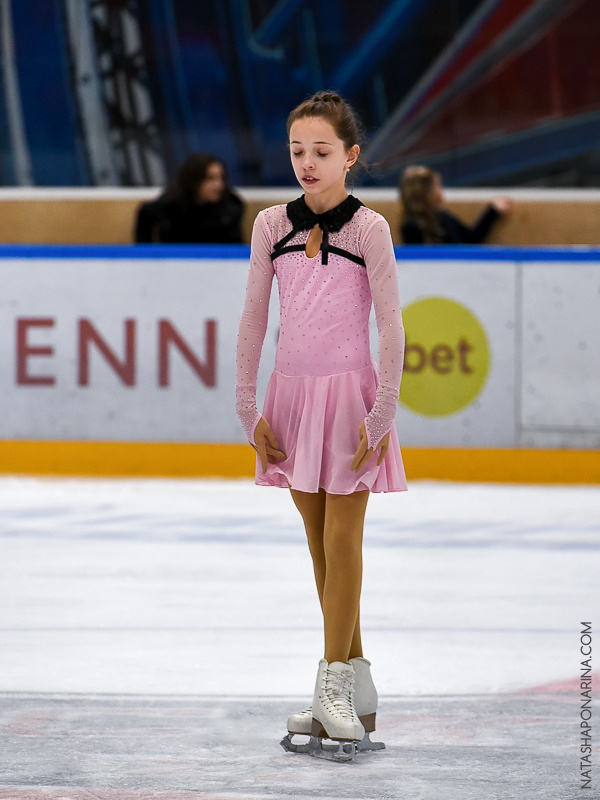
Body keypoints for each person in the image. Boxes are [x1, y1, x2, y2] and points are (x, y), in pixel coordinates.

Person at [235, 91, 407, 760]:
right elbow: (254, 318)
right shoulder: (269, 224)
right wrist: (249, 407)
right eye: (297, 151)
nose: (307, 162)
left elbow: (392, 324)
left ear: (351, 156)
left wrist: (383, 409)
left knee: (344, 541)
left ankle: (330, 685)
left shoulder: (370, 230)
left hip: (352, 403)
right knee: (318, 546)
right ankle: (355, 685)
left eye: (321, 152)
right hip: (292, 401)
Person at [134, 153, 244, 243]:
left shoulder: (230, 206)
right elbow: (146, 214)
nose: (218, 185)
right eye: (210, 179)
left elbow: (235, 247)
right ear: (194, 180)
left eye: (221, 178)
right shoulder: (170, 205)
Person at [399, 165, 512, 244]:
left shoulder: (443, 219)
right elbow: (469, 242)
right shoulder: (414, 227)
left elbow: (470, 240)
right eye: (437, 186)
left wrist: (492, 211)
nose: (440, 191)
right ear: (427, 193)